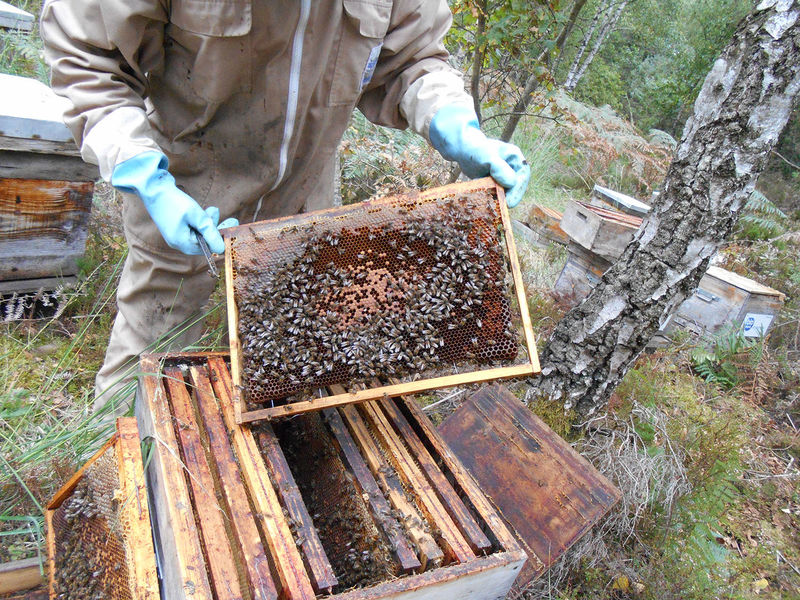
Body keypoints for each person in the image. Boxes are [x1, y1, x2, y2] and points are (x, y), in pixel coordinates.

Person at [40, 0, 531, 416]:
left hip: (306, 202)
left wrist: (453, 121)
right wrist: (145, 176)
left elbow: (415, 60)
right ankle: (118, 483)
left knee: (296, 378)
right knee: (142, 370)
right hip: (186, 190)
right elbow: (88, 60)